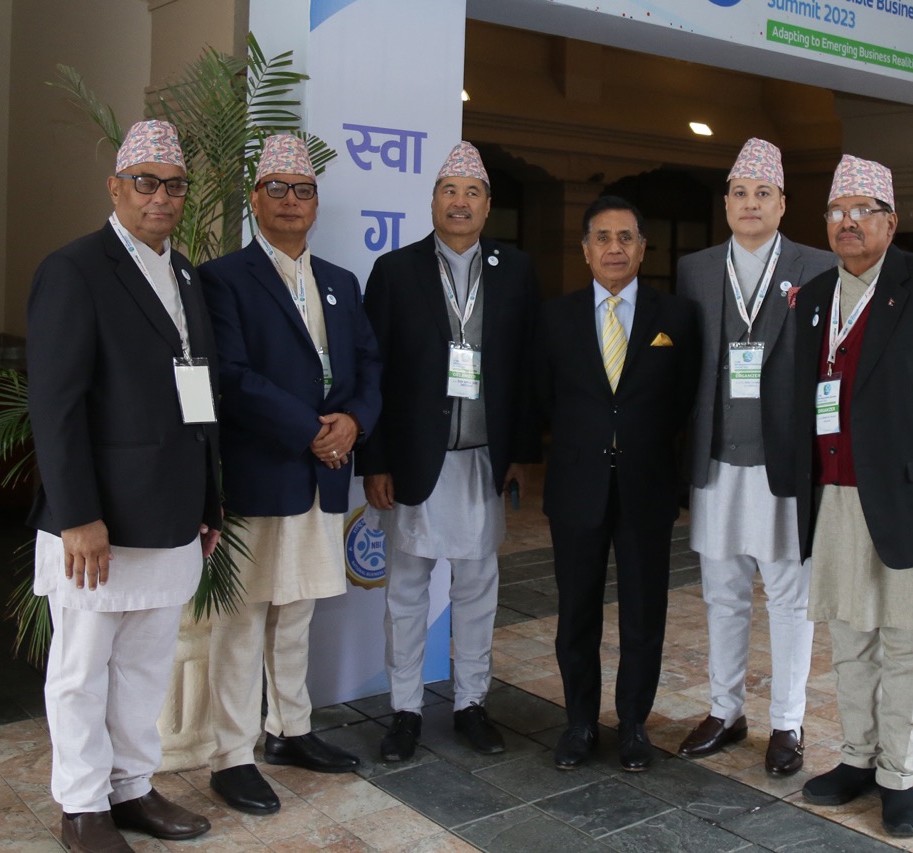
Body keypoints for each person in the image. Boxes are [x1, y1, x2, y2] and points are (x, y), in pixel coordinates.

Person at [27, 119, 220, 852]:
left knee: (144, 666)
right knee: (82, 670)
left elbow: (201, 394)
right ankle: (83, 807)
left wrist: (208, 501)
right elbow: (56, 405)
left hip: (172, 511)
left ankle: (132, 788)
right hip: (98, 521)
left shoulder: (187, 274)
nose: (160, 196)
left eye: (173, 184)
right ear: (115, 188)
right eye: (145, 182)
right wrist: (77, 515)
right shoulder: (74, 269)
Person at [791, 155, 913, 837]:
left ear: (891, 221)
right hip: (837, 496)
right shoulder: (815, 296)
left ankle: (898, 777)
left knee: (909, 643)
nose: (847, 222)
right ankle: (856, 758)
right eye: (836, 211)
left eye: (862, 210)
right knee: (850, 640)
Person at [200, 135, 381, 814]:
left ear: (316, 203)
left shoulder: (340, 281)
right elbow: (231, 376)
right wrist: (312, 430)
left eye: (303, 190)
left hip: (323, 471)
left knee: (297, 607)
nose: (290, 201)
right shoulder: (224, 278)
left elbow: (369, 367)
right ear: (255, 199)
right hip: (262, 469)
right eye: (276, 188)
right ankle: (230, 755)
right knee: (242, 615)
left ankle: (290, 729)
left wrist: (353, 423)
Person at [359, 141, 540, 761]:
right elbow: (373, 373)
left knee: (478, 586)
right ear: (433, 201)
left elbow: (528, 369)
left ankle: (471, 704)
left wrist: (521, 452)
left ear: (488, 206)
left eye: (472, 193)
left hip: (484, 458)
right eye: (449, 191)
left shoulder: (516, 271)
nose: (460, 202)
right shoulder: (395, 270)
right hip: (415, 459)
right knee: (408, 587)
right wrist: (376, 460)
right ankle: (405, 710)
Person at [676, 139, 834, 774]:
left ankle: (788, 723)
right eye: (740, 193)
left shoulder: (817, 265)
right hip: (716, 458)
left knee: (790, 597)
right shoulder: (695, 268)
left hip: (785, 461)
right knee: (722, 593)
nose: (750, 204)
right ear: (725, 203)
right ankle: (725, 710)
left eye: (762, 193)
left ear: (782, 204)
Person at [539, 195, 700, 772]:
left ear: (642, 248)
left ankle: (633, 725)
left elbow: (685, 400)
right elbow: (543, 398)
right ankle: (579, 723)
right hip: (576, 487)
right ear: (585, 250)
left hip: (646, 485)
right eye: (602, 238)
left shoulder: (677, 317)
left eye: (626, 237)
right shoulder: (555, 317)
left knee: (643, 614)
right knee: (576, 615)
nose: (615, 247)